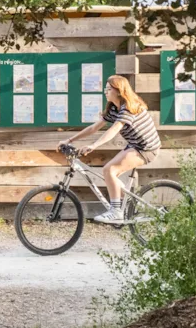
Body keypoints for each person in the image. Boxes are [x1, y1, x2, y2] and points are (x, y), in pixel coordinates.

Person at [57, 74, 161, 224]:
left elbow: (114, 130)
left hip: (146, 149)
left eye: (108, 89)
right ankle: (126, 204)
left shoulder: (128, 108)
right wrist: (69, 139)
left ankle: (116, 211)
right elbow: (93, 128)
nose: (105, 91)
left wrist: (93, 146)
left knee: (109, 170)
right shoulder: (113, 108)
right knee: (111, 174)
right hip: (134, 145)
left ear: (119, 91)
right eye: (105, 88)